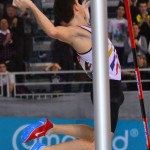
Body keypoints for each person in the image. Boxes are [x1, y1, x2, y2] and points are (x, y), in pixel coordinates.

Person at [13, 0, 124, 149]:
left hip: (110, 88)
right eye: (78, 2)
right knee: (97, 146)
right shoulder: (75, 32)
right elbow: (53, 31)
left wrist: (85, 15)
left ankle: (50, 127)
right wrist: (32, 6)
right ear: (75, 7)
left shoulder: (86, 29)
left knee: (94, 136)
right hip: (108, 89)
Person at [108, 1, 128, 66]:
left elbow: (128, 34)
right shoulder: (112, 21)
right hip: (115, 46)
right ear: (117, 10)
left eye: (122, 10)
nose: (120, 11)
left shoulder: (126, 22)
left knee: (122, 63)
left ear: (124, 12)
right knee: (115, 64)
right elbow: (110, 34)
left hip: (123, 46)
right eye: (119, 9)